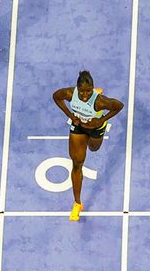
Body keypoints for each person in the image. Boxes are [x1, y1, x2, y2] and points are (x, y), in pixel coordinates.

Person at [52, 71, 123, 221]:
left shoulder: (100, 102)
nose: (84, 95)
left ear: (93, 89)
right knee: (77, 164)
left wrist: (101, 119)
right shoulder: (70, 93)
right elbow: (56, 97)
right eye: (82, 91)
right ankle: (77, 203)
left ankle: (97, 130)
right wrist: (71, 116)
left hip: (96, 128)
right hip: (78, 126)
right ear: (77, 88)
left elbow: (118, 106)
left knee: (94, 148)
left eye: (89, 91)